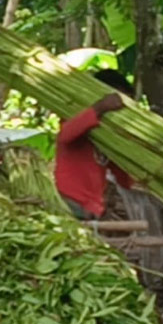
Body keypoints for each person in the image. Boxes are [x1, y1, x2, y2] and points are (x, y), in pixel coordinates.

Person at [54, 69, 135, 220]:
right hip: (70, 201)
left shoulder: (109, 135)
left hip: (92, 207)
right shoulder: (79, 117)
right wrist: (100, 108)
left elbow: (123, 178)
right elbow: (64, 136)